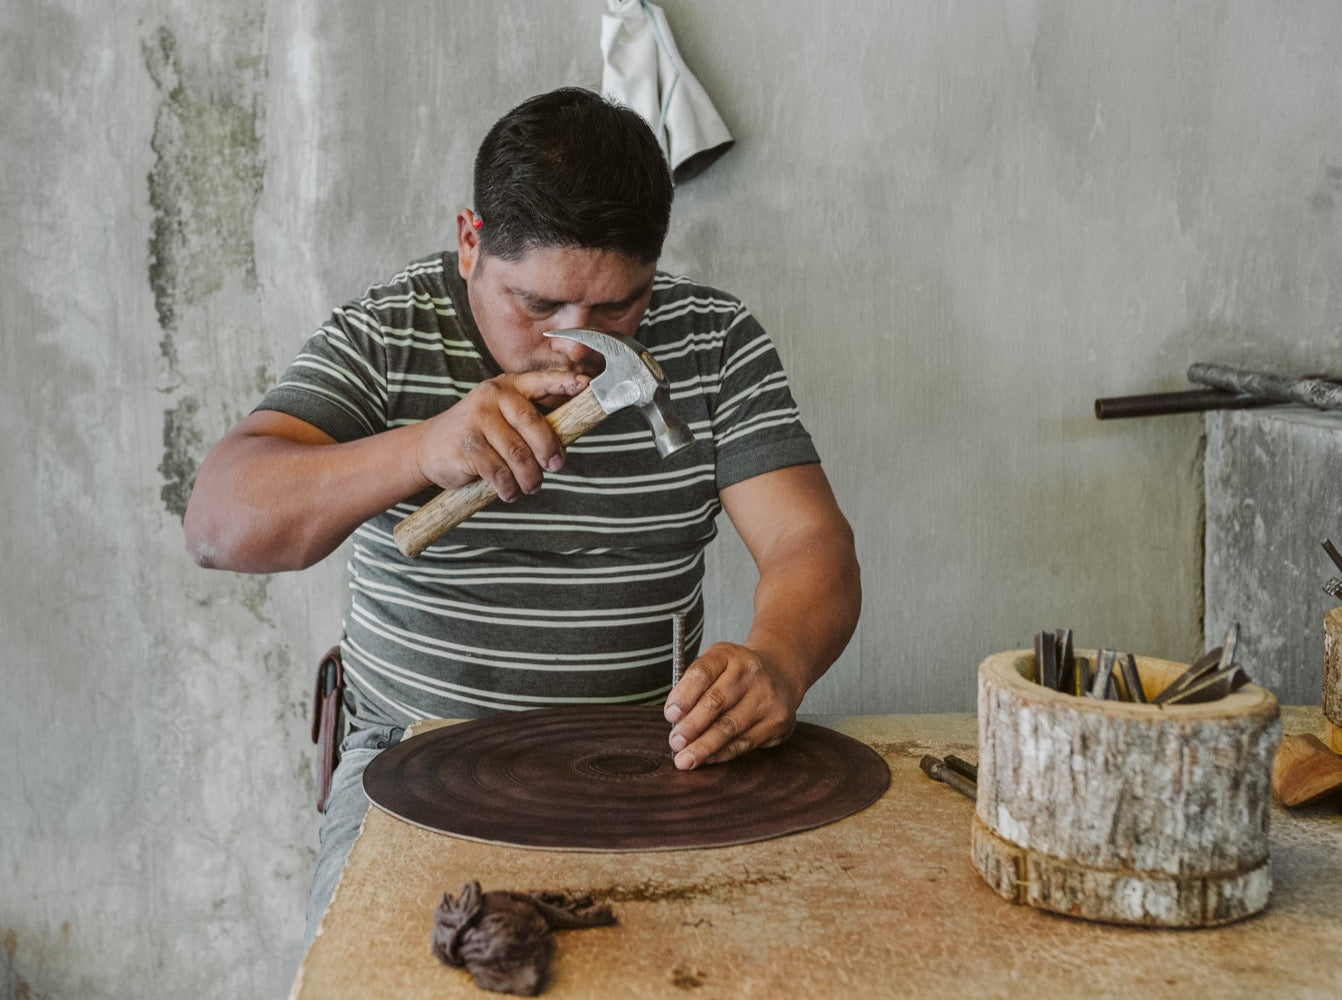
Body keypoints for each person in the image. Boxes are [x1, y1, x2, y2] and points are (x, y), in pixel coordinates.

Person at [183, 87, 861, 941]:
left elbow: (809, 543)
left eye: (619, 306)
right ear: (471, 243)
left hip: (645, 750)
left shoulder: (713, 342)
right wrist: (419, 450)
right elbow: (217, 522)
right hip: (410, 753)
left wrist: (779, 662)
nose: (577, 345)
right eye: (536, 306)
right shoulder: (389, 334)